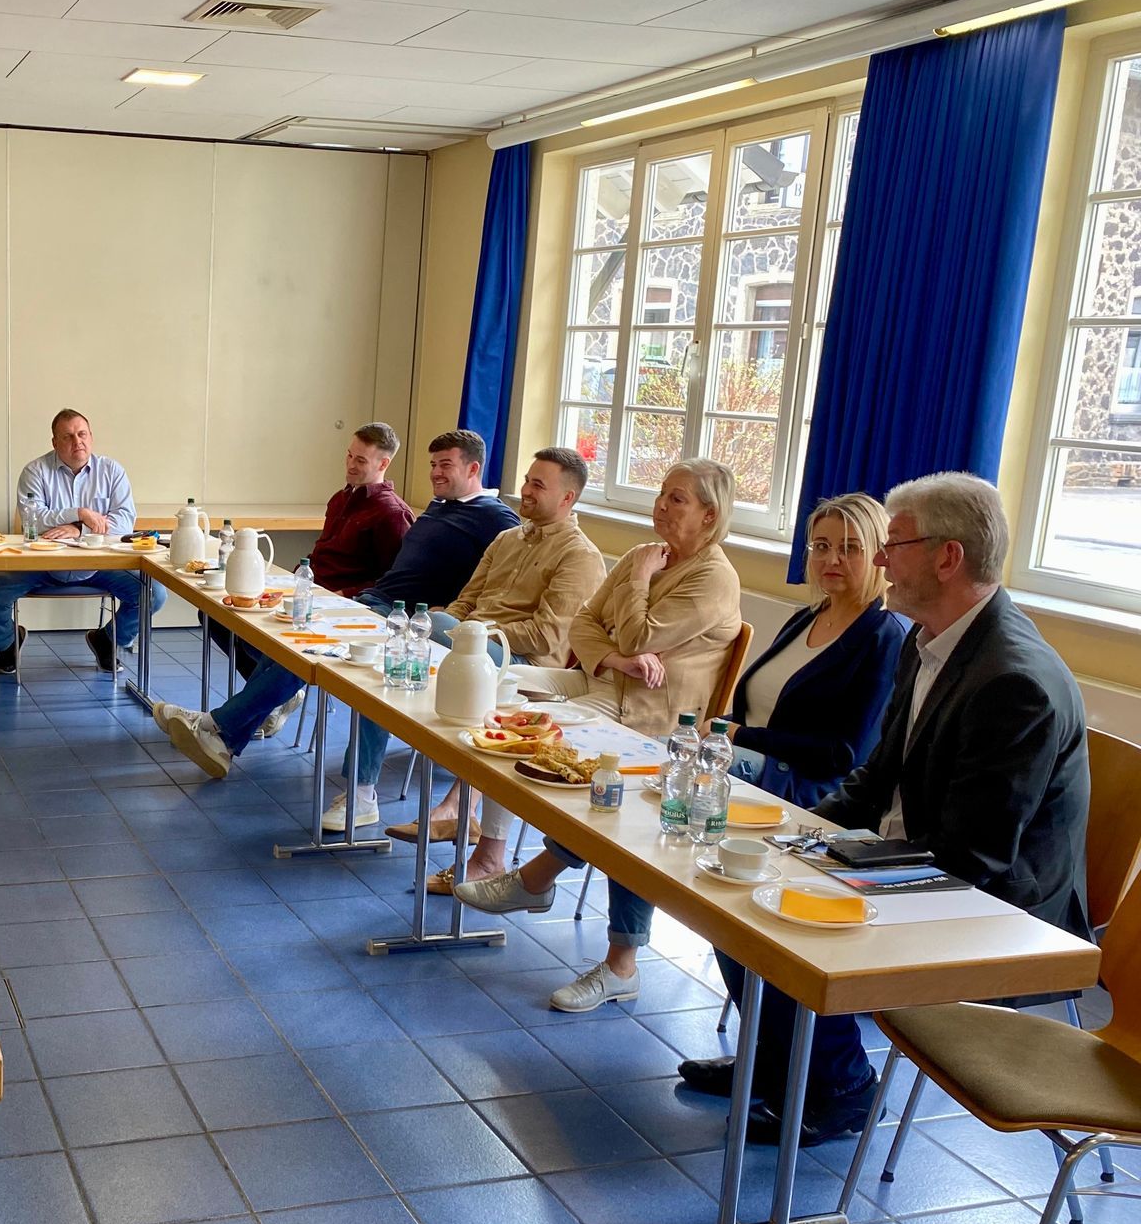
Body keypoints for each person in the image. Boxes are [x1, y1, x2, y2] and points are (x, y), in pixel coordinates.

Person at [686, 473, 1090, 1147]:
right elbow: (877, 774)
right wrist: (800, 837)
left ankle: (841, 1087)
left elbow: (975, 858)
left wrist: (840, 866)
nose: (878, 558)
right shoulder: (929, 639)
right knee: (737, 891)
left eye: (893, 544)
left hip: (998, 901)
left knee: (786, 915)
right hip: (926, 854)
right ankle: (777, 1064)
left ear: (948, 557)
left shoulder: (1013, 681)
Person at [452, 459, 743, 1015]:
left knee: (546, 740)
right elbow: (585, 624)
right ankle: (500, 855)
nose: (661, 505)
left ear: (710, 515)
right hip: (605, 679)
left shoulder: (712, 577)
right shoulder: (644, 554)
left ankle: (534, 882)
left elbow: (639, 633)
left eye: (677, 499)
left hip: (655, 716)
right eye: (661, 492)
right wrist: (614, 657)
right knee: (498, 697)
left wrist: (634, 595)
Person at [160, 431, 517, 802]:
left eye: (446, 465)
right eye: (433, 464)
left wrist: (455, 611)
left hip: (403, 618)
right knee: (292, 644)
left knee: (307, 650)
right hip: (372, 603)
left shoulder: (493, 516)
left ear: (473, 469)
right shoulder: (441, 506)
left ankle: (218, 728)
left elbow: (508, 575)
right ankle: (225, 736)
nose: (435, 473)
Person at [386, 446, 606, 862]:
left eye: (538, 485)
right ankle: (363, 789)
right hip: (469, 645)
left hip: (522, 664)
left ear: (568, 497)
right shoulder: (507, 538)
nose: (526, 490)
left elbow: (546, 636)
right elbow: (465, 602)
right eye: (526, 480)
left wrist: (472, 633)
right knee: (401, 646)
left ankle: (454, 810)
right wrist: (454, 627)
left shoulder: (580, 556)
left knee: (426, 629)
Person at [205, 422, 413, 733]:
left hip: (338, 606)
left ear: (383, 464)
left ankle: (245, 714)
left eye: (361, 460)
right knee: (219, 616)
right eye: (349, 455)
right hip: (307, 593)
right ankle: (276, 696)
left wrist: (346, 593)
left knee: (273, 642)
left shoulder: (392, 513)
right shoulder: (340, 499)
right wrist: (292, 582)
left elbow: (391, 583)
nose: (350, 464)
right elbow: (320, 555)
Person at [723, 493, 907, 808]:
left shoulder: (886, 636)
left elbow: (843, 755)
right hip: (750, 758)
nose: (831, 559)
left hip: (801, 785)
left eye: (849, 548)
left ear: (879, 555)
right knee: (666, 747)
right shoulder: (806, 618)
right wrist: (716, 729)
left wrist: (737, 735)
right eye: (821, 546)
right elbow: (756, 715)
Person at [0, 409, 163, 674]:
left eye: (82, 434)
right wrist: (81, 513)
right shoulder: (35, 471)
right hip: (40, 564)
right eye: (68, 436)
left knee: (153, 594)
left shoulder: (112, 471)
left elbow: (124, 523)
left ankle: (107, 640)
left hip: (100, 565)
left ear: (91, 437)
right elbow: (33, 521)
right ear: (54, 442)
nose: (77, 442)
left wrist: (78, 528)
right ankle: (8, 643)